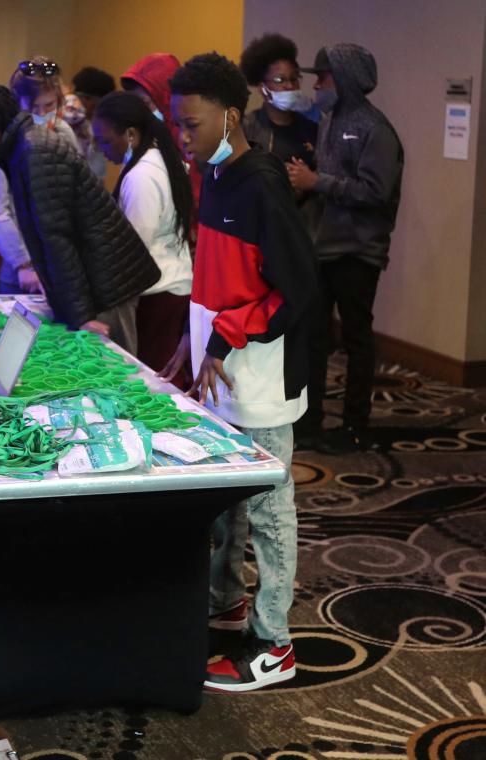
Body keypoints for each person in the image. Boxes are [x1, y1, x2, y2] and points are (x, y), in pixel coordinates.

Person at [163, 52, 316, 692]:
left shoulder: (260, 183)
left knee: (272, 510)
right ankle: (226, 599)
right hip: (220, 368)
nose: (182, 137)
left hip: (262, 373)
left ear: (229, 117)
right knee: (228, 503)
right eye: (175, 124)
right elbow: (219, 280)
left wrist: (224, 338)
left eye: (191, 125)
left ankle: (275, 642)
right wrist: (190, 340)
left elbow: (296, 289)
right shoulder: (216, 176)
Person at [0, 83, 159, 353]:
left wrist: (82, 316)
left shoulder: (35, 151)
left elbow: (56, 239)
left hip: (106, 283)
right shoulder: (21, 148)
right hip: (92, 279)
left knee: (114, 370)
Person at [287, 44, 404, 455]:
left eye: (324, 76)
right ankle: (312, 419)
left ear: (346, 79)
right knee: (315, 338)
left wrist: (317, 182)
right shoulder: (329, 119)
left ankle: (356, 426)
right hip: (325, 246)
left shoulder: (376, 130)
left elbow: (375, 191)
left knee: (356, 339)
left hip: (358, 251)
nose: (316, 85)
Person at [92, 91, 194, 384]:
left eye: (106, 140)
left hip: (158, 292)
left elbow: (135, 249)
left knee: (159, 382)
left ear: (131, 134)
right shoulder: (155, 159)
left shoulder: (142, 176)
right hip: (168, 285)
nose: (101, 149)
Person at [0, 57, 78, 295]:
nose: (41, 114)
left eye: (49, 106)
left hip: (63, 264)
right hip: (19, 268)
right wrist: (23, 263)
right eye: (32, 108)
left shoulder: (64, 133)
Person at [240, 33, 320, 229]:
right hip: (259, 228)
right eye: (279, 79)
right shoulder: (246, 128)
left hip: (303, 231)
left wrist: (308, 182)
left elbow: (324, 180)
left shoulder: (313, 129)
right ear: (262, 88)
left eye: (294, 79)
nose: (289, 86)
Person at [121, 53, 203, 213]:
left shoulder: (188, 140)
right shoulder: (138, 138)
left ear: (165, 98)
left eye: (145, 103)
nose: (139, 112)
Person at [65, 66, 117, 179]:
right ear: (85, 98)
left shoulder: (91, 128)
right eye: (101, 104)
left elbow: (98, 175)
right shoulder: (62, 127)